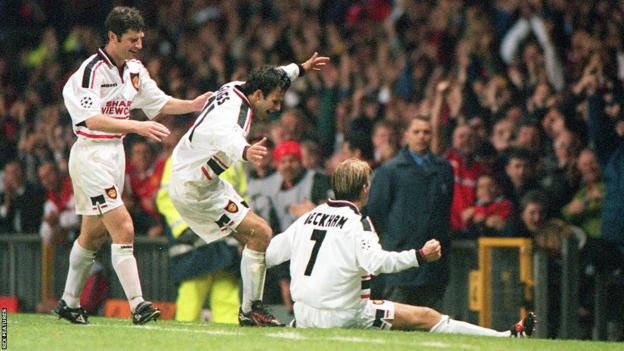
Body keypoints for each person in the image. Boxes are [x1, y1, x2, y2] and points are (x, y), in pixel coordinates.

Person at [55, 6, 211, 325]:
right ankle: (138, 304)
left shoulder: (135, 68)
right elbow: (89, 119)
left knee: (93, 233)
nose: (139, 45)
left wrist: (191, 105)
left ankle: (69, 302)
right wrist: (136, 126)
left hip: (114, 155)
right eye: (132, 39)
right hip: (91, 155)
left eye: (141, 38)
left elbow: (157, 103)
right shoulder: (90, 72)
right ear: (112, 37)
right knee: (124, 226)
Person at [265, 158, 535, 337]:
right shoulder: (357, 222)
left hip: (304, 313)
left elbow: (270, 254)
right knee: (426, 317)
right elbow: (377, 263)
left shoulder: (310, 216)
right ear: (365, 188)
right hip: (344, 316)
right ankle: (506, 336)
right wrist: (420, 256)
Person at [169, 53, 329, 327]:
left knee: (258, 235)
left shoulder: (235, 87)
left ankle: (251, 308)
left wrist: (300, 68)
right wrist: (245, 150)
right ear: (257, 95)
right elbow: (228, 134)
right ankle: (251, 309)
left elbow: (275, 74)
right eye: (275, 102)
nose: (277, 108)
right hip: (195, 189)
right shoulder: (238, 115)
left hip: (200, 179)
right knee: (261, 232)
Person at [367, 116, 454, 310]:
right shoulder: (389, 171)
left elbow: (445, 211)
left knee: (432, 323)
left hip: (434, 267)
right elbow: (375, 213)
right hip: (400, 262)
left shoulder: (444, 170)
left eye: (426, 132)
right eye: (417, 132)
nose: (422, 136)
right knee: (396, 321)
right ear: (406, 135)